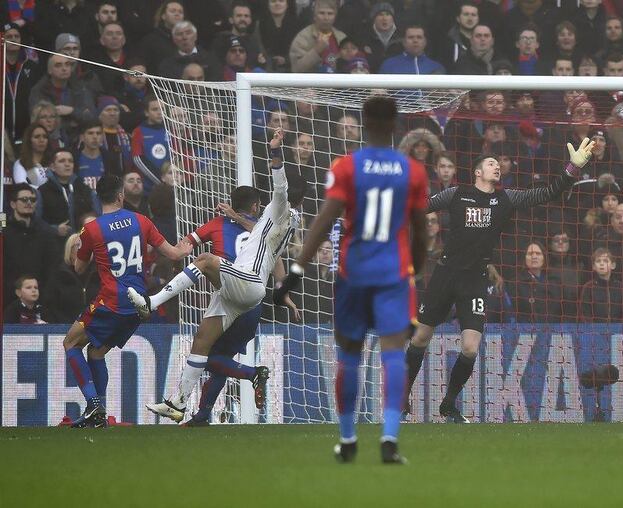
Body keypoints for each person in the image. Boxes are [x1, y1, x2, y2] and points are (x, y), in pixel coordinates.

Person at [273, 96, 428, 464]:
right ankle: (389, 439)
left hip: (353, 273)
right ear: (395, 126)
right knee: (393, 353)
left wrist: (297, 270)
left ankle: (347, 439)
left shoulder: (346, 166)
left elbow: (323, 222)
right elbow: (421, 232)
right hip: (393, 274)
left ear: (363, 123)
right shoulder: (413, 170)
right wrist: (415, 268)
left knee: (350, 356)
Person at [403, 137, 595, 424]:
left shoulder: (505, 199)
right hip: (445, 274)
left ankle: (449, 404)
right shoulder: (456, 194)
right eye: (491, 163)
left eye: (498, 164)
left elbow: (547, 194)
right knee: (420, 337)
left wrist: (572, 169)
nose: (497, 167)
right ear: (477, 172)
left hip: (476, 280)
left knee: (470, 347)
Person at [130, 130, 305, 424]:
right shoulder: (285, 221)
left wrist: (275, 153)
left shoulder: (280, 209)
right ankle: (179, 403)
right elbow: (259, 227)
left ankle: (151, 301)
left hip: (248, 283)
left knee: (206, 259)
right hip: (240, 292)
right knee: (202, 341)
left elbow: (280, 187)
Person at [63, 174, 193, 428]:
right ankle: (97, 416)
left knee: (70, 343)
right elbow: (174, 253)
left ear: (98, 197)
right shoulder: (141, 220)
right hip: (139, 304)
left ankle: (94, 405)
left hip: (111, 301)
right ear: (121, 195)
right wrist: (186, 249)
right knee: (97, 352)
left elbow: (78, 268)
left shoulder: (91, 229)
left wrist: (82, 246)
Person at [183, 187, 299, 426]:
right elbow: (276, 260)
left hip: (231, 296)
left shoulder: (220, 224)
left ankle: (252, 373)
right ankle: (203, 414)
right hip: (252, 302)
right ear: (256, 206)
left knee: (207, 354)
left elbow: (184, 247)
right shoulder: (264, 229)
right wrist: (283, 291)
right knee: (221, 356)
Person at [578, 248, 623, 323]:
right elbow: (585, 313)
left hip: (618, 332)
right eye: (598, 261)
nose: (602, 264)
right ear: (593, 266)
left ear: (613, 265)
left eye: (605, 261)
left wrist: (621, 329)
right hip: (594, 331)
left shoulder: (620, 287)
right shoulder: (588, 287)